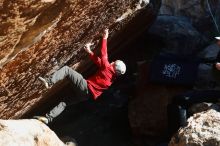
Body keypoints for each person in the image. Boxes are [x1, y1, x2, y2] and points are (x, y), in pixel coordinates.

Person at [34, 29, 126, 124]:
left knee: (66, 70)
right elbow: (101, 64)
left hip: (85, 87)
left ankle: (49, 82)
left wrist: (105, 37)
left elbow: (104, 56)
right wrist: (90, 52)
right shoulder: (112, 77)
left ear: (114, 67)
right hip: (85, 96)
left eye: (114, 63)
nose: (112, 62)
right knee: (64, 102)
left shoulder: (107, 68)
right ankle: (48, 118)